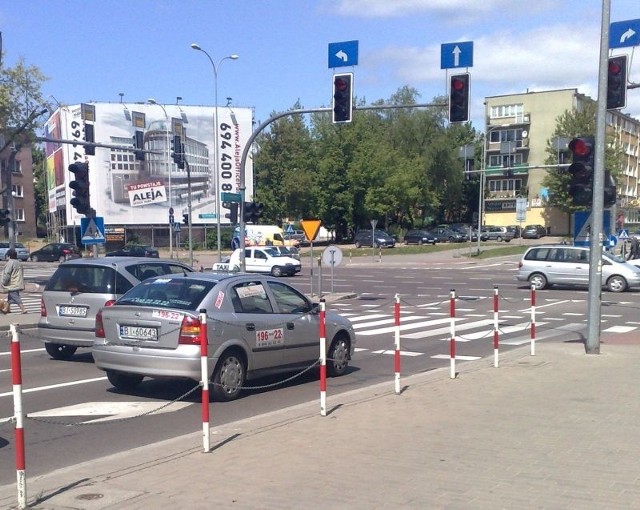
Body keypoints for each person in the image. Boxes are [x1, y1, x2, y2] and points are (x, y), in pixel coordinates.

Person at [2, 248, 26, 314]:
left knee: (15, 297)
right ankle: (6, 309)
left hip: (13, 283)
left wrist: (4, 282)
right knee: (10, 297)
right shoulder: (19, 263)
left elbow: (7, 274)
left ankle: (23, 309)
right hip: (18, 282)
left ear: (9, 256)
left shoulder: (10, 263)